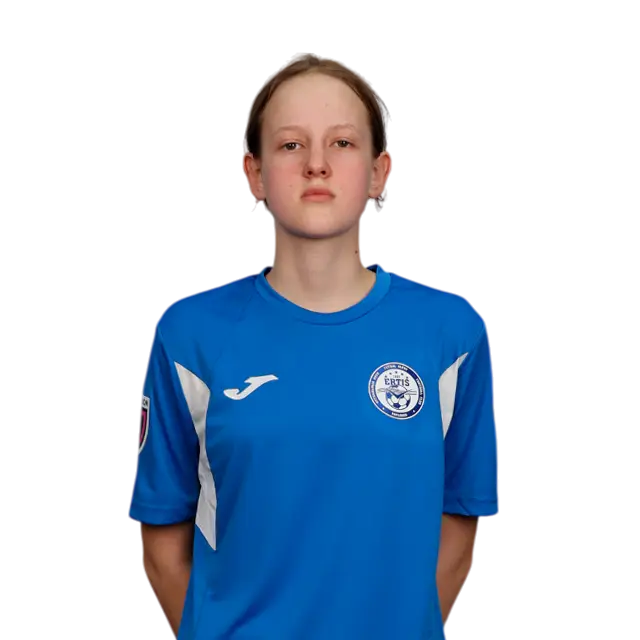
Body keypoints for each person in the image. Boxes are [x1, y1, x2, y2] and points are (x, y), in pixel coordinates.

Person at [128, 54, 501, 640]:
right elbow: (162, 545)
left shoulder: (452, 336)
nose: (317, 164)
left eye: (343, 143)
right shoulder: (189, 338)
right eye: (291, 145)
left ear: (379, 173)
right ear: (255, 174)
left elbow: (459, 525)